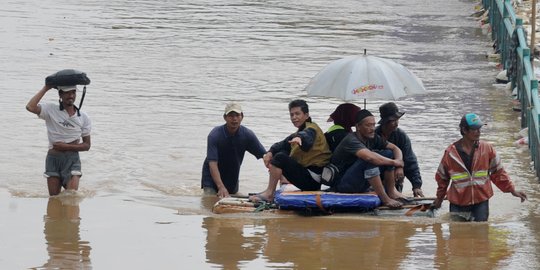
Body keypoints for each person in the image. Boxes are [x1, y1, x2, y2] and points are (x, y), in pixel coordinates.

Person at [431, 113, 527, 221]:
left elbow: (498, 172)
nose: (478, 132)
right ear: (464, 130)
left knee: (481, 233)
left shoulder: (487, 149)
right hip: (458, 203)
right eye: (474, 129)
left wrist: (512, 190)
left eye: (479, 128)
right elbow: (442, 178)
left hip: (481, 201)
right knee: (457, 236)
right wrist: (439, 199)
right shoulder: (450, 153)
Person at [249, 99, 331, 203]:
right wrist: (270, 152)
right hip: (309, 176)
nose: (294, 117)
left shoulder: (311, 129)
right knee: (280, 152)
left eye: (297, 114)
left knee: (280, 158)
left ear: (306, 115)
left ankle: (269, 194)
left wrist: (300, 138)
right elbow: (282, 144)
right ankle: (270, 190)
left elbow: (307, 136)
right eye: (291, 115)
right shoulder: (300, 130)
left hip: (313, 180)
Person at [328, 109, 406, 208]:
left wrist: (399, 164)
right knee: (371, 160)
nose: (372, 128)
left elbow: (395, 148)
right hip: (342, 184)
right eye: (368, 125)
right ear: (358, 127)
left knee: (388, 153)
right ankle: (385, 199)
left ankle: (391, 192)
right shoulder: (350, 140)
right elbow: (370, 158)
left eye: (373, 125)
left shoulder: (372, 137)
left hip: (358, 181)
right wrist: (394, 163)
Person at [26, 84, 91, 196]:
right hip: (53, 160)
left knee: (71, 197)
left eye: (73, 92)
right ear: (60, 94)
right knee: (54, 200)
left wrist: (67, 147)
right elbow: (30, 107)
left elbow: (87, 145)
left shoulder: (83, 117)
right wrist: (46, 88)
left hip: (72, 160)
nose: (71, 95)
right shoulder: (50, 109)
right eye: (67, 92)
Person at [201, 102, 266, 198]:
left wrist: (280, 175)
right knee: (210, 200)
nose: (234, 119)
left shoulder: (247, 135)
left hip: (232, 179)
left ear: (242, 116)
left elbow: (265, 156)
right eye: (231, 115)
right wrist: (221, 187)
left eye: (237, 115)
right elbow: (212, 164)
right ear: (225, 117)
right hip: (211, 178)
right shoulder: (215, 135)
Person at [375, 102, 424, 197]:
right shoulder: (374, 136)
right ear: (385, 121)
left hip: (395, 177)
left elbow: (410, 161)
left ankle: (395, 191)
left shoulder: (401, 136)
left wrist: (416, 185)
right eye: (393, 120)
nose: (396, 124)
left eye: (397, 120)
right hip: (376, 178)